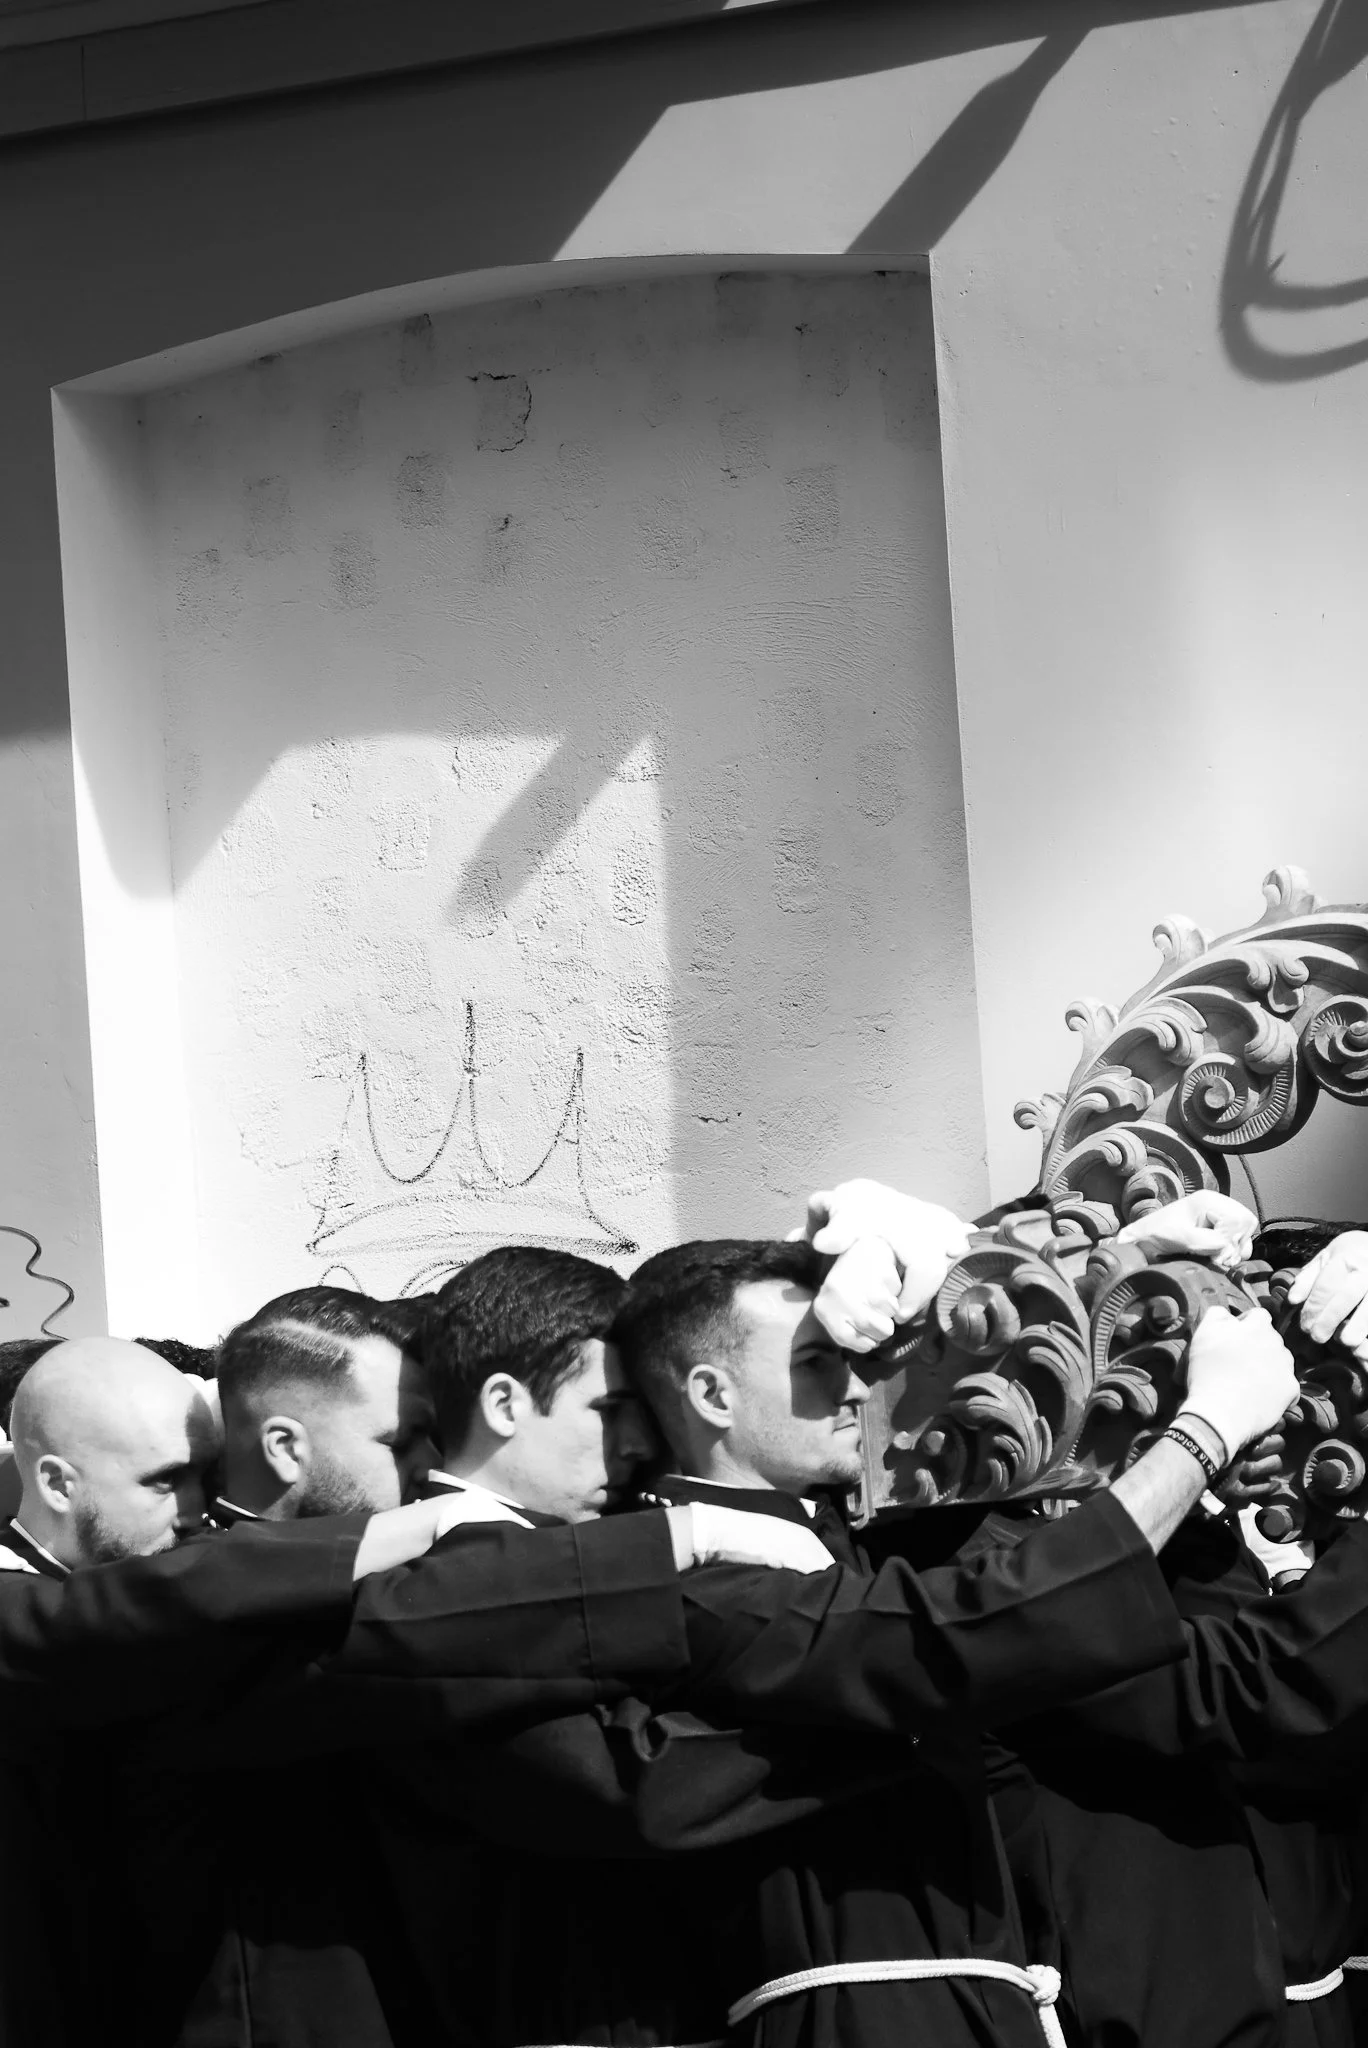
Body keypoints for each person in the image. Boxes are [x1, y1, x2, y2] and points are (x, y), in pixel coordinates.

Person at [613, 1231, 1368, 2048]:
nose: (863, 1387)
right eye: (818, 1365)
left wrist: (1196, 1491)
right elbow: (1004, 1624)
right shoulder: (696, 1578)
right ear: (711, 1395)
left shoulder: (849, 1534)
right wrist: (1201, 1433)